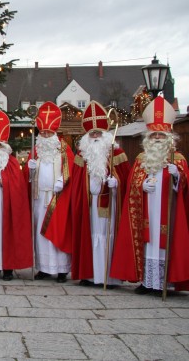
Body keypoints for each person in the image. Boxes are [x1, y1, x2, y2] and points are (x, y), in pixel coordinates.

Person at [111, 96, 189, 295]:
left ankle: (165, 282)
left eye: (161, 135)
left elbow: (185, 188)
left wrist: (177, 177)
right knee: (148, 244)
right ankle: (147, 281)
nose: (157, 139)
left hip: (167, 212)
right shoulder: (141, 159)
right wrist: (142, 185)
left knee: (164, 244)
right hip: (147, 212)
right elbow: (133, 184)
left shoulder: (177, 161)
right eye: (154, 135)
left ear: (168, 136)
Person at [70, 101, 130, 288]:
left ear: (105, 134)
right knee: (90, 237)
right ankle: (89, 275)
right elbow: (76, 181)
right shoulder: (82, 154)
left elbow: (127, 179)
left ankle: (109, 277)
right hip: (90, 204)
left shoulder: (117, 152)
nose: (95, 137)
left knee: (108, 237)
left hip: (110, 205)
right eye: (92, 134)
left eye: (98, 133)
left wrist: (117, 183)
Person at [23, 101, 74, 283]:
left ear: (54, 133)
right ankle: (43, 268)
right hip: (39, 197)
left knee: (56, 231)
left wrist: (62, 180)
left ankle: (61, 270)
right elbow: (27, 178)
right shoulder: (35, 151)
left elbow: (69, 168)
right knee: (39, 233)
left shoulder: (63, 149)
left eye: (49, 133)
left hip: (57, 197)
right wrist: (29, 169)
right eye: (43, 132)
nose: (45, 135)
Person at [0, 110, 33, 281]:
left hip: (4, 207)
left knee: (3, 234)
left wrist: (2, 183)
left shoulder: (11, 162)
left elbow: (18, 185)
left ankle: (7, 267)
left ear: (5, 146)